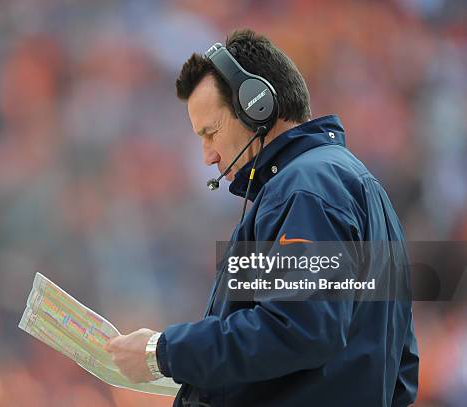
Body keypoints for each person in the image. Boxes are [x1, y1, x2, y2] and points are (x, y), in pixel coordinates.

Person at [105, 29, 419, 407]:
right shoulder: (350, 186)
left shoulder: (305, 189)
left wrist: (163, 351)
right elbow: (401, 367)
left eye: (211, 131)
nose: (208, 156)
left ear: (257, 106)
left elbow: (298, 328)